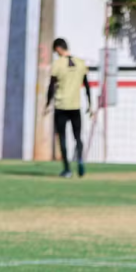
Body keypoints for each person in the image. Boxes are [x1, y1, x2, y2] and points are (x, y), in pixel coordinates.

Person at [47, 38, 91, 178]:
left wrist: (47, 103)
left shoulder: (58, 64)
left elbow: (51, 86)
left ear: (59, 49)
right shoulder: (80, 63)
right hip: (75, 105)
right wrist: (90, 104)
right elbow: (87, 85)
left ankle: (67, 169)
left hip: (61, 105)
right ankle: (79, 160)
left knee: (63, 137)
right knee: (78, 137)